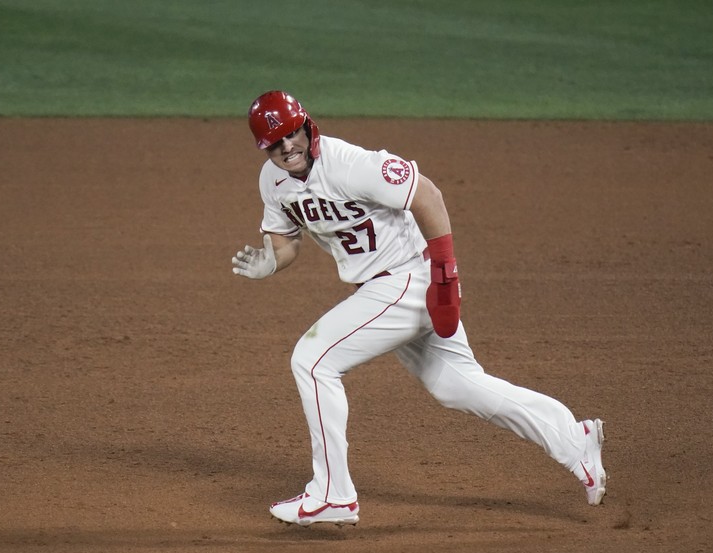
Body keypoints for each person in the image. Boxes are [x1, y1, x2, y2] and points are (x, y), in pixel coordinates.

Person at [232, 90, 607, 527]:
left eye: (291, 135)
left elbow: (427, 195)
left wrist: (446, 274)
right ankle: (573, 439)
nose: (286, 148)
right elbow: (285, 240)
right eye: (274, 144)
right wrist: (271, 262)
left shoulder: (351, 164)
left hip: (409, 280)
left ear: (306, 126)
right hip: (382, 291)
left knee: (312, 360)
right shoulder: (272, 181)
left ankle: (333, 493)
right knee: (458, 384)